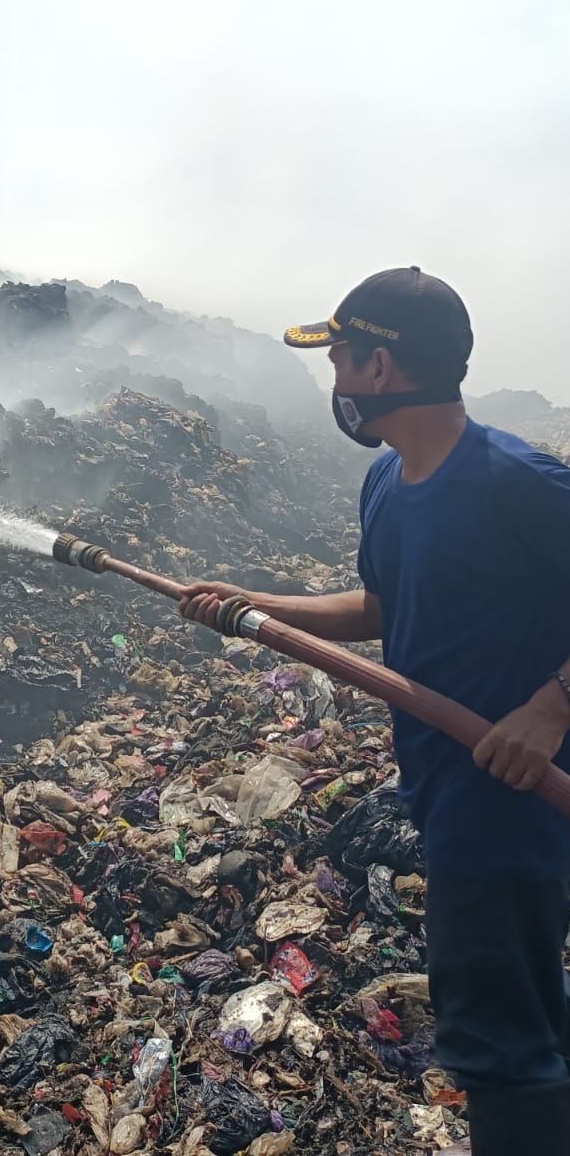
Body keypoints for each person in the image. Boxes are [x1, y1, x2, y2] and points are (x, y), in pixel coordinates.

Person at [179, 266, 570, 1154]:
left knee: (495, 1043)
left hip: (508, 804)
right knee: (521, 998)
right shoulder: (389, 484)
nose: (336, 380)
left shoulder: (518, 481)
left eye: (341, 357)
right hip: (443, 787)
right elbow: (386, 607)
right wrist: (259, 607)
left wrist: (551, 706)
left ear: (382, 367)